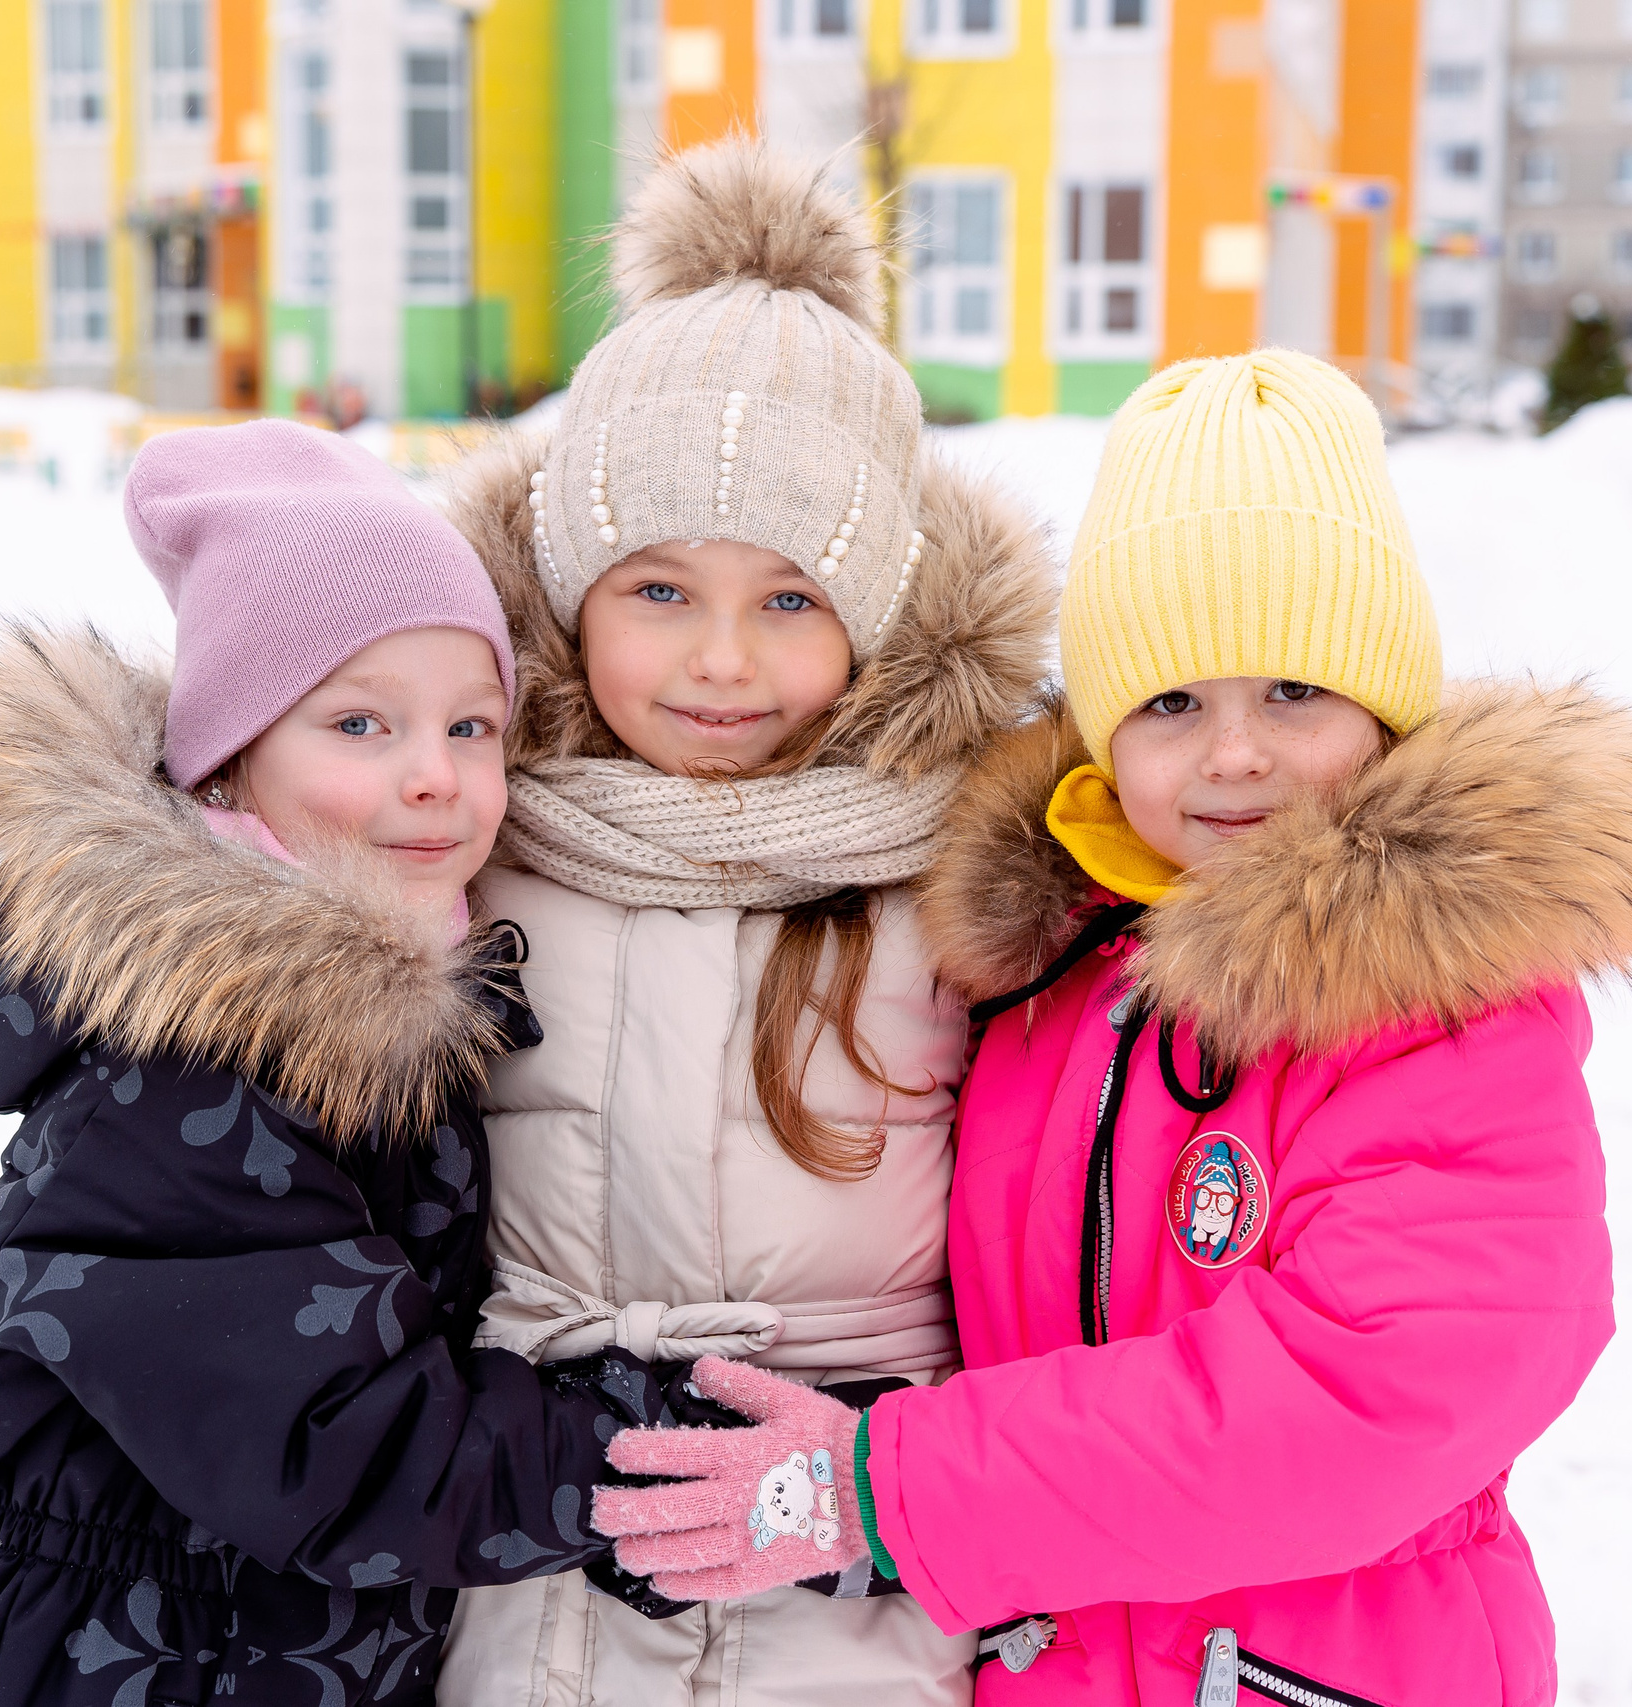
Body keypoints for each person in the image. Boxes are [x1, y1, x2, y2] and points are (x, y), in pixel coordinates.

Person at [590, 349, 1632, 1707]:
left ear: (1388, 701)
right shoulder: (1052, 977)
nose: (1234, 753)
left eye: (1293, 688)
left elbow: (1365, 1398)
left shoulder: (1450, 1003)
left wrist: (890, 1484)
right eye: (1171, 702)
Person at [0, 420, 699, 1707]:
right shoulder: (185, 1066)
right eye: (360, 724)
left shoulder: (385, 1004)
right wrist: (694, 1448)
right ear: (231, 757)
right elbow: (356, 1455)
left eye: (472, 727)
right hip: (100, 1660)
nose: (436, 778)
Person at [430, 139, 1060, 1707]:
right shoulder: (473, 824)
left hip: (851, 1583)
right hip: (527, 1568)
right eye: (657, 589)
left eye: (790, 598)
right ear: (571, 589)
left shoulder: (975, 854)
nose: (721, 659)